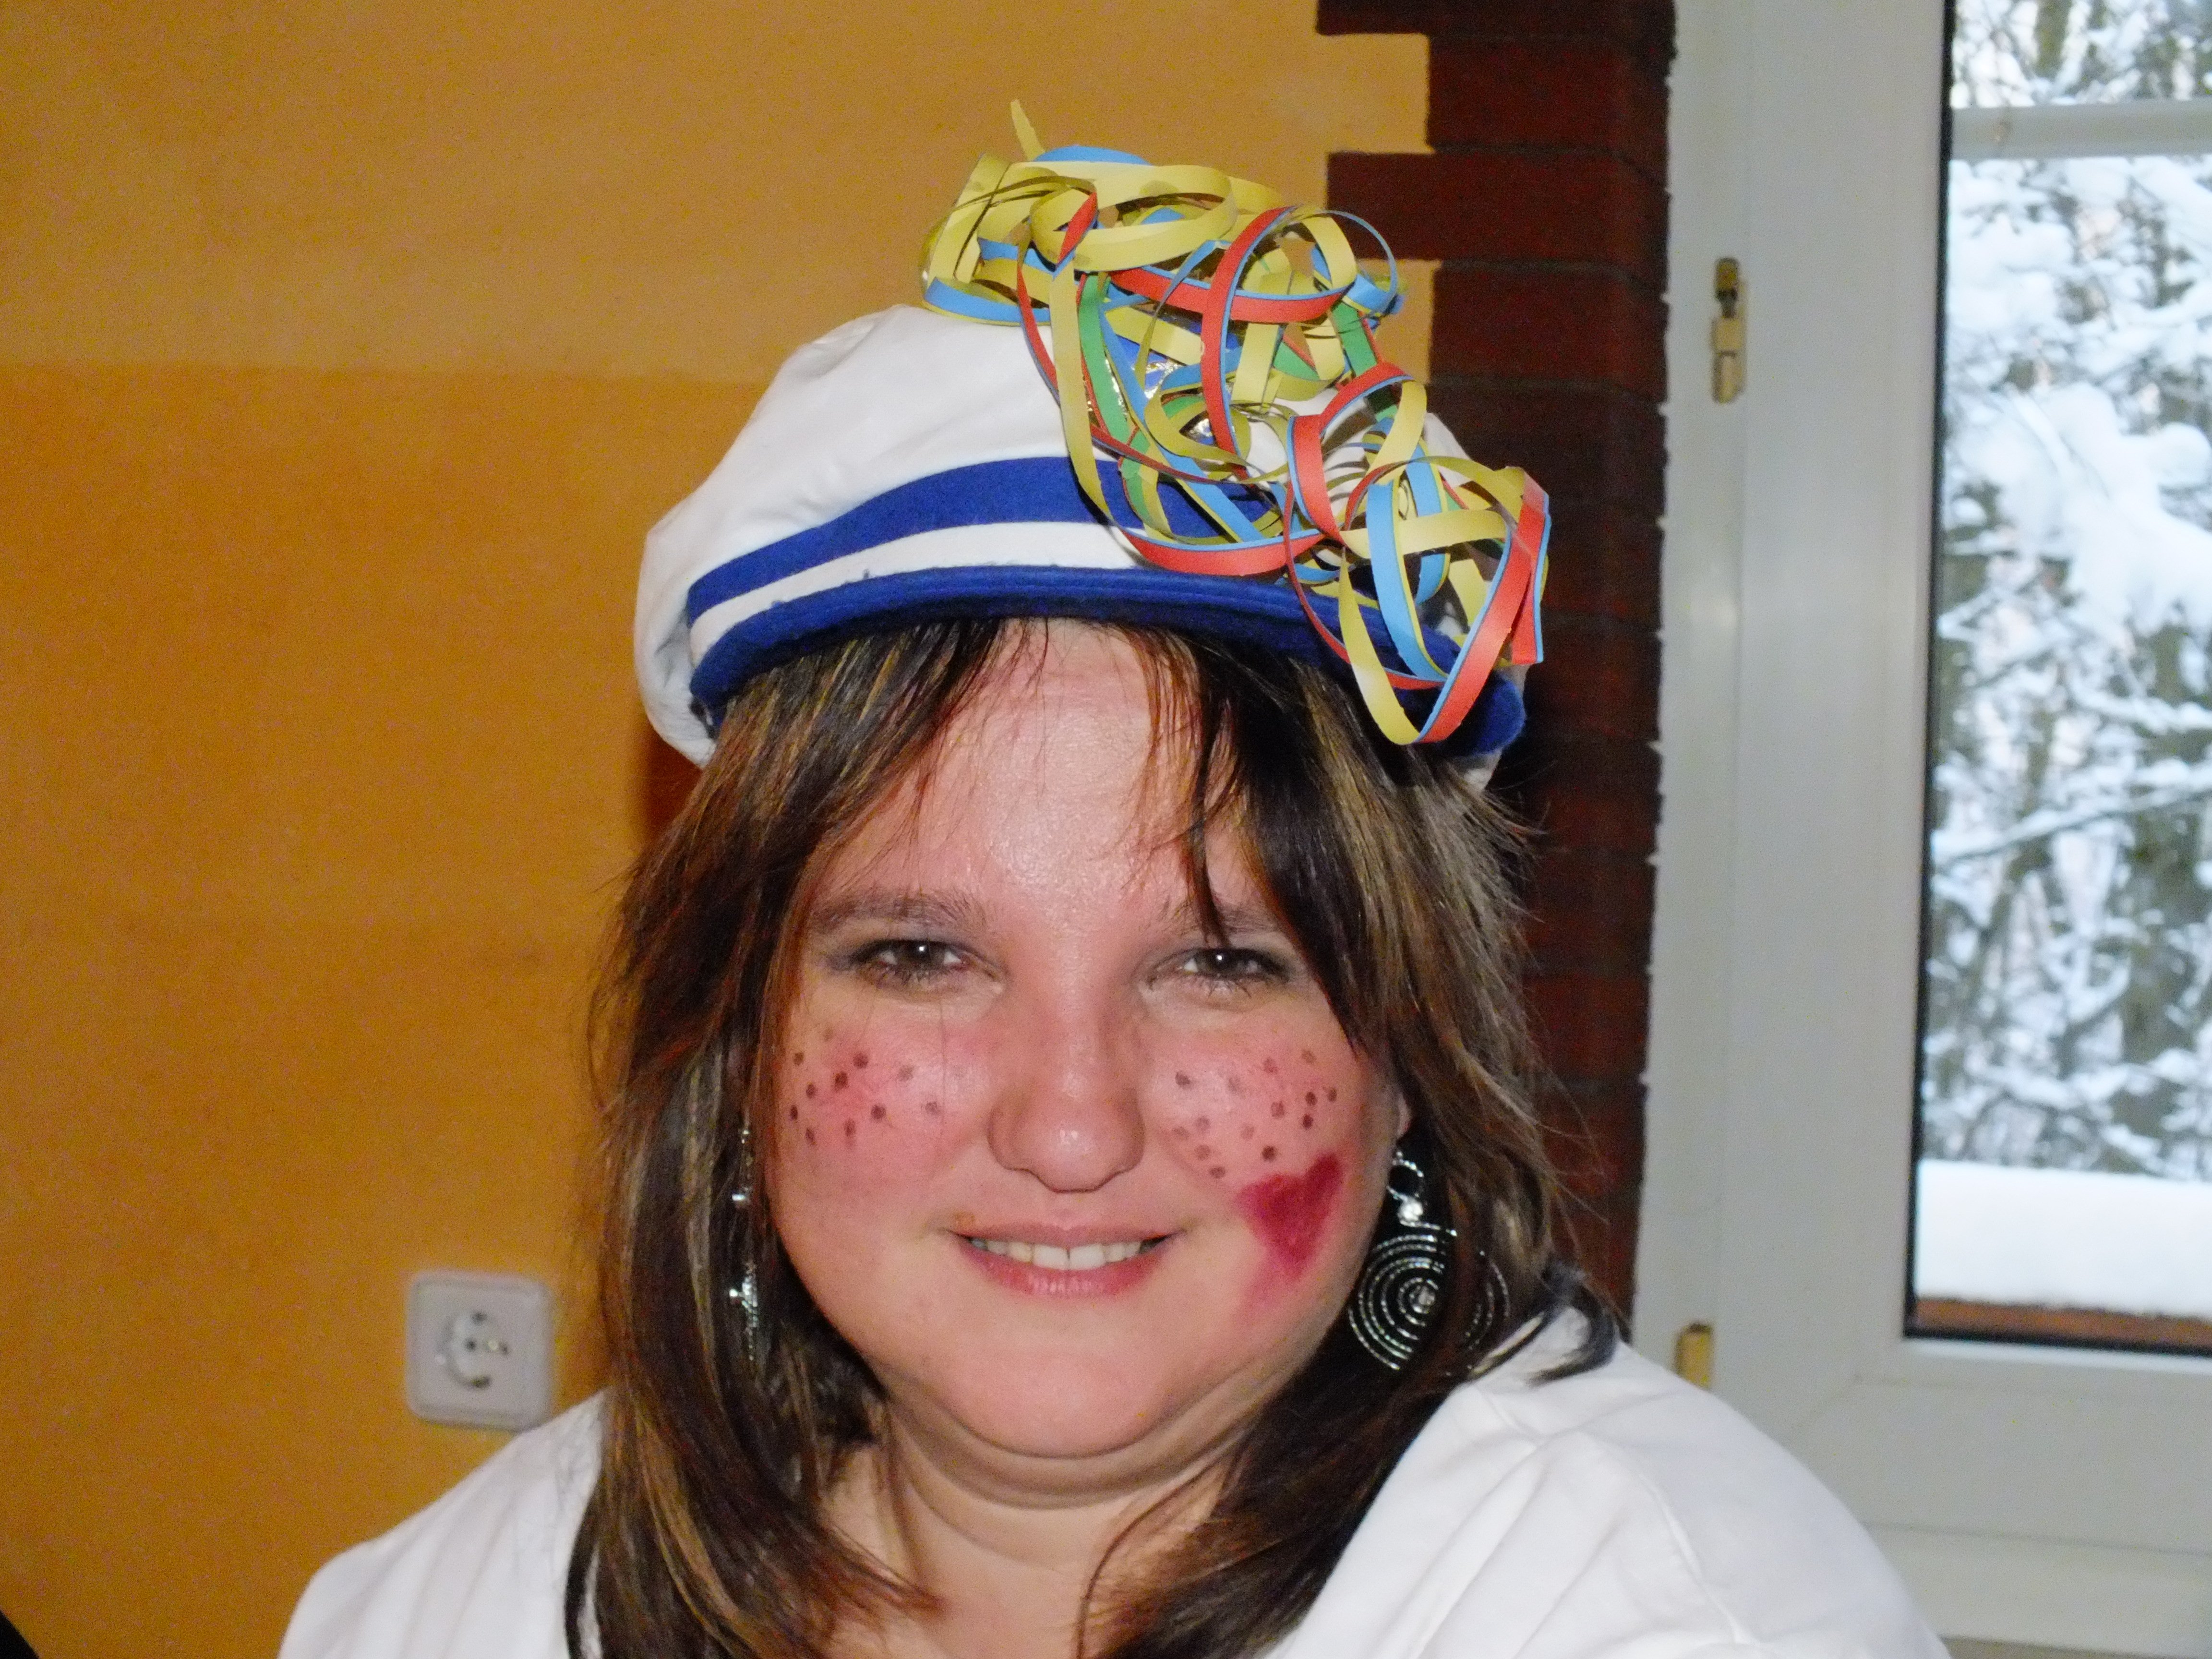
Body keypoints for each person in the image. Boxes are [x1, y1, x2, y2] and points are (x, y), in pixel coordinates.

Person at [280, 124, 1948, 1659]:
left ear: (1409, 1058)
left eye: (1220, 966)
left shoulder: (1671, 1619)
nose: (1071, 1129)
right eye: (920, 955)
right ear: (741, 1031)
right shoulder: (467, 1606)